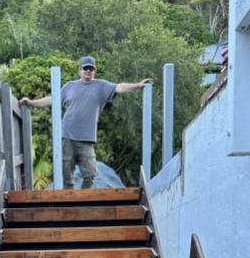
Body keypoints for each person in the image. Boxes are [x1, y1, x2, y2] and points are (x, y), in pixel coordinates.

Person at [20, 56, 152, 189]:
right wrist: (31, 102)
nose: (88, 71)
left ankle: (83, 198)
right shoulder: (70, 86)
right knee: (66, 173)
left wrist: (138, 85)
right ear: (80, 70)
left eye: (91, 69)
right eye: (85, 68)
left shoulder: (101, 86)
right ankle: (68, 200)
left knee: (90, 173)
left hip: (87, 140)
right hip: (68, 136)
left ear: (94, 71)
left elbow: (120, 87)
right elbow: (52, 100)